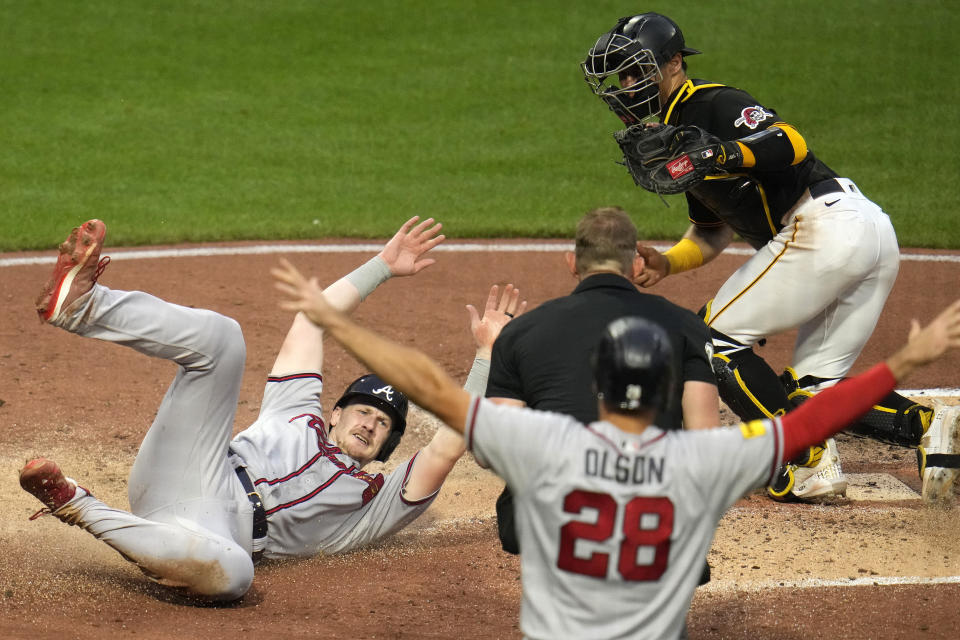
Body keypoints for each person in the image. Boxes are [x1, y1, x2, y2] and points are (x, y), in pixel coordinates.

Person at [272, 257, 960, 640]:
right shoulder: (704, 459)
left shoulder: (545, 445)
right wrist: (903, 361)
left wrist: (338, 321)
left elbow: (429, 386)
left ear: (599, 382)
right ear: (665, 384)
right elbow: (812, 423)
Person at [19, 216, 522, 602]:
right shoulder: (297, 410)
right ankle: (83, 306)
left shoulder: (375, 501)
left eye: (384, 423)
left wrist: (486, 356)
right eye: (364, 410)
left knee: (235, 574)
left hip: (212, 534)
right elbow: (312, 321)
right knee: (223, 339)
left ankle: (75, 504)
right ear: (336, 412)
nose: (371, 422)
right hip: (188, 470)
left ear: (388, 447)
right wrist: (383, 267)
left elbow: (449, 442)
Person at [580, 12, 957, 502]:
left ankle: (805, 457)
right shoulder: (674, 138)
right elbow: (711, 230)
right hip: (862, 235)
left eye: (637, 71)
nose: (627, 87)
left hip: (826, 225)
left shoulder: (711, 103)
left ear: (673, 63)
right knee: (813, 391)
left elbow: (791, 143)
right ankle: (930, 425)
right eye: (622, 77)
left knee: (709, 342)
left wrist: (719, 155)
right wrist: (668, 262)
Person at [486, 206, 718, 555]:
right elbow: (706, 447)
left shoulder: (519, 332)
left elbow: (494, 452)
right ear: (637, 265)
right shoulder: (687, 326)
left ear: (572, 263)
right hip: (648, 523)